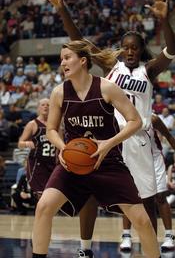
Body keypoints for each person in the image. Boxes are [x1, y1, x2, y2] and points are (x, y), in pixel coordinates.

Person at [42, 0, 175, 257]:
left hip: (137, 139)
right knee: (90, 192)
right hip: (107, 139)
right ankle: (85, 249)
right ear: (121, 49)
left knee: (145, 203)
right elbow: (78, 40)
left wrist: (164, 21)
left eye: (135, 49)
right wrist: (62, 9)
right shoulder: (109, 66)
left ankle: (148, 251)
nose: (130, 52)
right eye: (126, 48)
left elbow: (171, 50)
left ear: (140, 51)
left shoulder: (148, 71)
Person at [32, 40, 160, 258]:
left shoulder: (106, 87)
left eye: (67, 58)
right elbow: (51, 130)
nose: (62, 63)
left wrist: (108, 144)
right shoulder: (59, 93)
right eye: (61, 59)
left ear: (82, 61)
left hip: (107, 163)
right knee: (44, 207)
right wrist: (63, 148)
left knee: (142, 220)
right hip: (72, 163)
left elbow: (135, 121)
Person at [120, 114, 175, 252]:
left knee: (160, 197)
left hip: (154, 160)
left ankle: (169, 236)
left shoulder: (153, 118)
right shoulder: (120, 118)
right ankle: (126, 236)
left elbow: (169, 136)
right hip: (133, 161)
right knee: (128, 198)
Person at [18, 98, 57, 198]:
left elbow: (60, 143)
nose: (45, 107)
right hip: (37, 162)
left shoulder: (56, 125)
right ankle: (42, 213)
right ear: (38, 108)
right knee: (40, 193)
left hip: (52, 162)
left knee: (51, 192)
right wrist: (27, 143)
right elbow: (20, 143)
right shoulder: (32, 124)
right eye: (43, 105)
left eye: (48, 105)